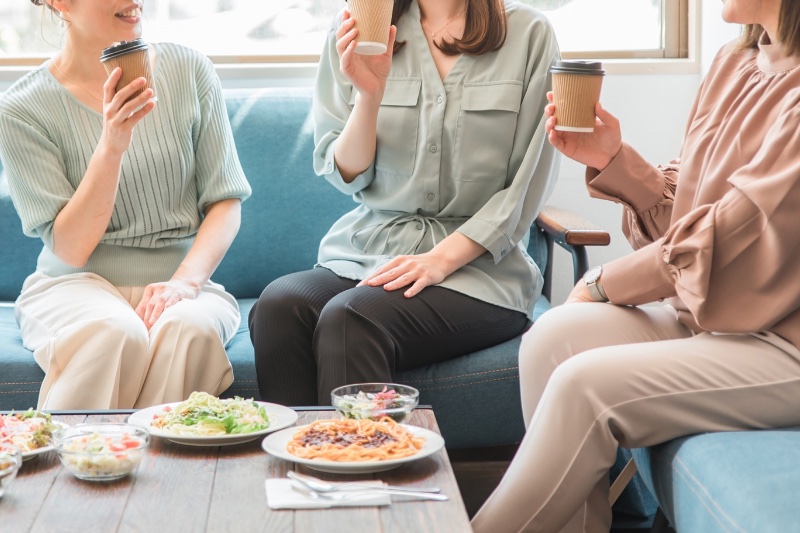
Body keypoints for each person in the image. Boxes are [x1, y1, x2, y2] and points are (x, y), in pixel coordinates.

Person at [471, 0, 800, 531]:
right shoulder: (734, 64)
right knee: (551, 338)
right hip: (714, 316)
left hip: (785, 344)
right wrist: (612, 159)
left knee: (584, 387)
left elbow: (727, 241)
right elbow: (694, 220)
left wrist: (604, 282)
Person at [249, 0, 560, 405]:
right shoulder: (356, 27)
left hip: (481, 271)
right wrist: (369, 94)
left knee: (352, 318)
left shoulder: (530, 34)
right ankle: (301, 462)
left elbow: (527, 184)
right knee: (279, 306)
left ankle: (364, 464)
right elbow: (348, 174)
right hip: (371, 251)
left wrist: (439, 260)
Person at [0, 0, 251, 410]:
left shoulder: (189, 69)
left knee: (190, 328)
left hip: (181, 283)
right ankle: (70, 463)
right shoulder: (22, 108)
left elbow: (226, 201)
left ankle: (141, 464)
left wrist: (184, 284)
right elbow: (71, 248)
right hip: (74, 284)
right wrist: (112, 145)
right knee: (115, 331)